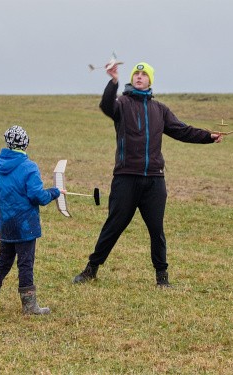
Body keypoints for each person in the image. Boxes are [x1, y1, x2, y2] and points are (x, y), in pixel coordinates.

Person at [72, 62, 223, 287]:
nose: (139, 77)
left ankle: (162, 278)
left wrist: (207, 136)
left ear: (150, 80)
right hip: (126, 177)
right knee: (114, 225)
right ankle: (91, 270)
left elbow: (182, 130)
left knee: (156, 229)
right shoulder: (121, 104)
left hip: (154, 179)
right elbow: (106, 106)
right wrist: (113, 82)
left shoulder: (159, 109)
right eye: (136, 74)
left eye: (144, 75)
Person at [0, 125, 64, 316]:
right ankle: (29, 306)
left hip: (7, 226)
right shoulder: (29, 167)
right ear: (25, 144)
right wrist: (55, 192)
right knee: (25, 263)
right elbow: (38, 197)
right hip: (25, 226)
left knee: (3, 262)